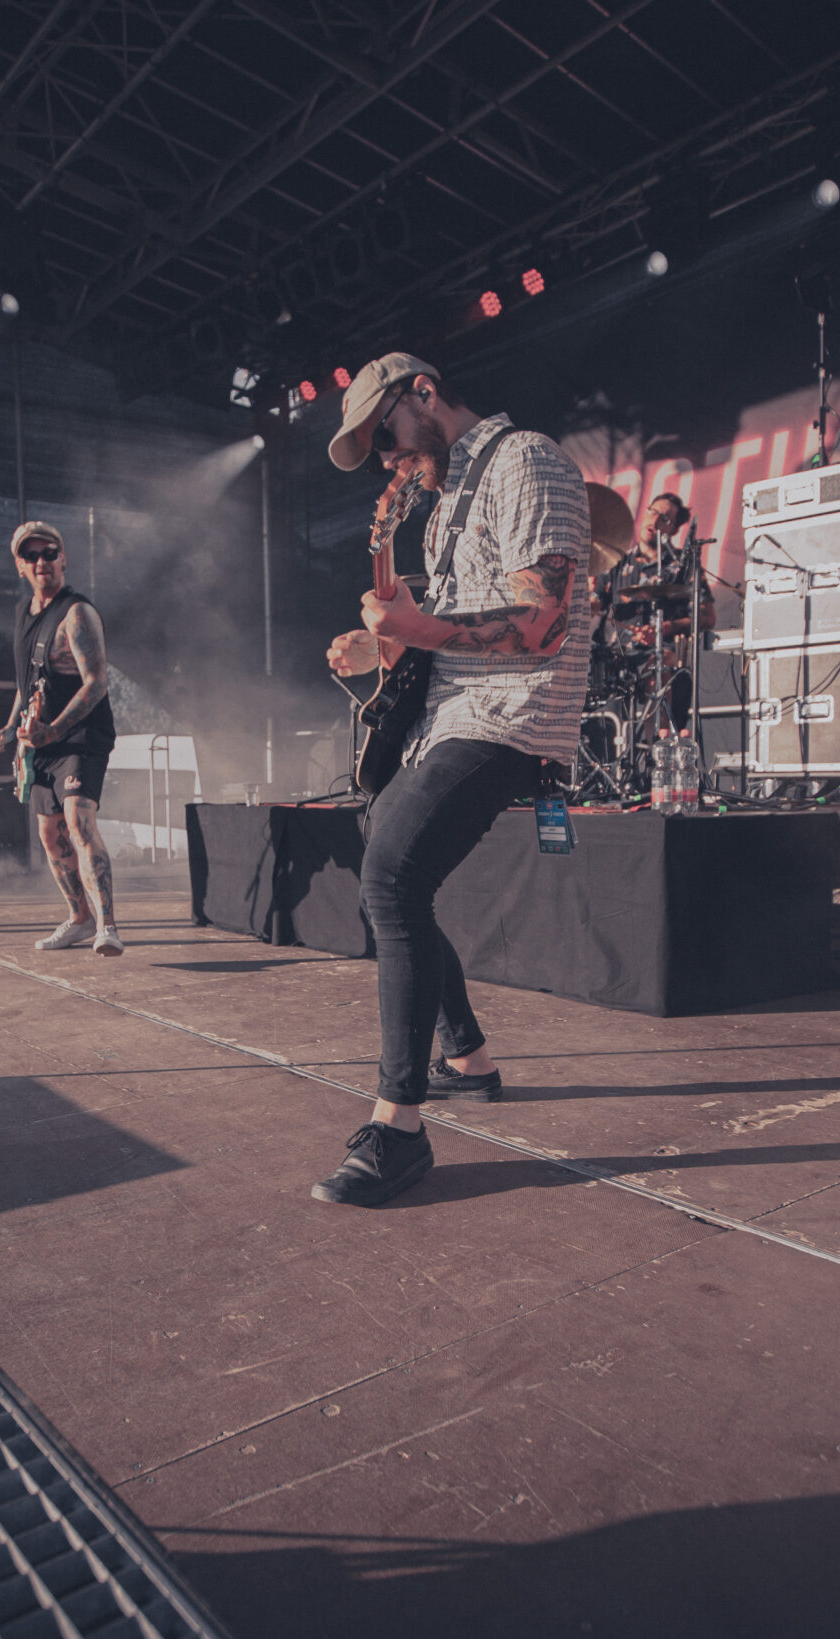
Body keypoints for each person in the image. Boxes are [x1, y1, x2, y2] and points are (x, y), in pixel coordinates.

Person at [317, 353, 591, 1206]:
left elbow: (541, 622)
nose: (389, 459)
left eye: (387, 436)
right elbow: (444, 629)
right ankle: (467, 1055)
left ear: (425, 392)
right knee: (391, 875)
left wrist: (416, 626)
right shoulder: (443, 510)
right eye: (377, 453)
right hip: (449, 717)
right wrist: (382, 646)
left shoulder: (526, 461)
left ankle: (399, 1129)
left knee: (392, 876)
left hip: (513, 715)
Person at [0, 521, 123, 956]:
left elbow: (96, 683)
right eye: (31, 555)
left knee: (79, 821)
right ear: (20, 566)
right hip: (41, 743)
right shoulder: (24, 614)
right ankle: (79, 919)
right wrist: (12, 728)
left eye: (49, 553)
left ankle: (107, 927)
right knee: (50, 835)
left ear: (63, 559)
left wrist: (55, 729)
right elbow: (28, 684)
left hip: (81, 734)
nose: (41, 561)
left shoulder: (77, 613)